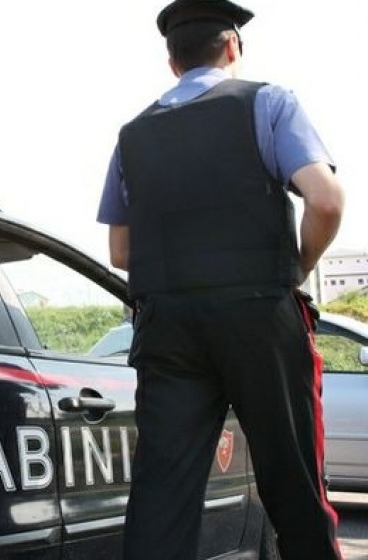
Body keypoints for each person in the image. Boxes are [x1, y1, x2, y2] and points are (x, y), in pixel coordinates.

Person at [96, 1, 345, 558]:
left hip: (167, 328)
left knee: (163, 495)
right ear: (232, 46)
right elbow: (326, 201)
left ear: (172, 62)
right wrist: (299, 265)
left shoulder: (132, 135)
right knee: (294, 483)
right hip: (259, 313)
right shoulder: (268, 102)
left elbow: (120, 251)